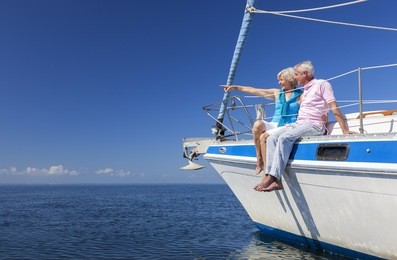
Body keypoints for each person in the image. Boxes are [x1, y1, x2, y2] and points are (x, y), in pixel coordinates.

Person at [254, 60, 355, 192]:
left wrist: (345, 130)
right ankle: (276, 180)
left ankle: (272, 177)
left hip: (314, 125)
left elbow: (333, 106)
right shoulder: (305, 91)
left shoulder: (322, 84)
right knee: (271, 138)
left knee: (285, 138)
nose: (294, 77)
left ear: (305, 74)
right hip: (299, 123)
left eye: (296, 74)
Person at [224, 67, 303, 175]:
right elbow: (255, 90)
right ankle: (259, 158)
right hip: (275, 123)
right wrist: (235, 87)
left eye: (281, 80)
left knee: (265, 136)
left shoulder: (301, 95)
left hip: (288, 125)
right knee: (257, 125)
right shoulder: (277, 93)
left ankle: (268, 170)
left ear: (289, 79)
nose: (279, 82)